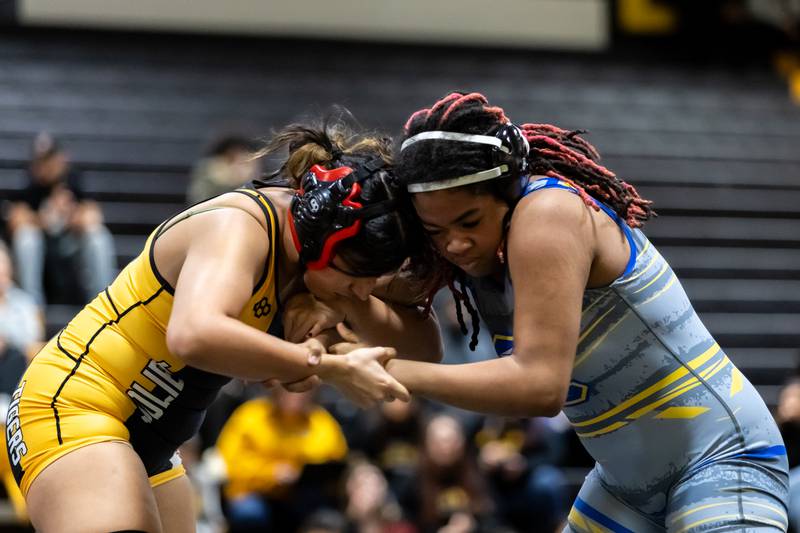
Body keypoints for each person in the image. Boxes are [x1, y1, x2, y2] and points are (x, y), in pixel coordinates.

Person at [294, 92, 790, 532]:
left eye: (468, 221)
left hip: (722, 461)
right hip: (626, 486)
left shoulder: (546, 214)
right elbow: (421, 342)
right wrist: (340, 301)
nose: (455, 244)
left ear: (508, 191)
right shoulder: (464, 245)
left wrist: (380, 370)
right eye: (436, 231)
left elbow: (539, 387)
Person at [5, 117, 441, 533]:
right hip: (75, 405)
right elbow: (194, 334)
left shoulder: (326, 268)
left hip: (152, 441)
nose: (362, 293)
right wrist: (323, 363)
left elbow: (425, 349)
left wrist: (345, 305)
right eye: (353, 280)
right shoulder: (241, 225)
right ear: (321, 243)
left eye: (369, 285)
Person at [7, 132, 115, 304]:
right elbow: (15, 221)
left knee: (98, 238)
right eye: (41, 161)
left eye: (49, 160)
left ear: (61, 158)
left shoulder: (74, 179)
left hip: (70, 246)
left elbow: (94, 216)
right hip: (41, 247)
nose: (45, 166)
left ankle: (102, 304)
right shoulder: (29, 183)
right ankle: (33, 308)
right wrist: (44, 218)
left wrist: (70, 215)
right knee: (26, 238)